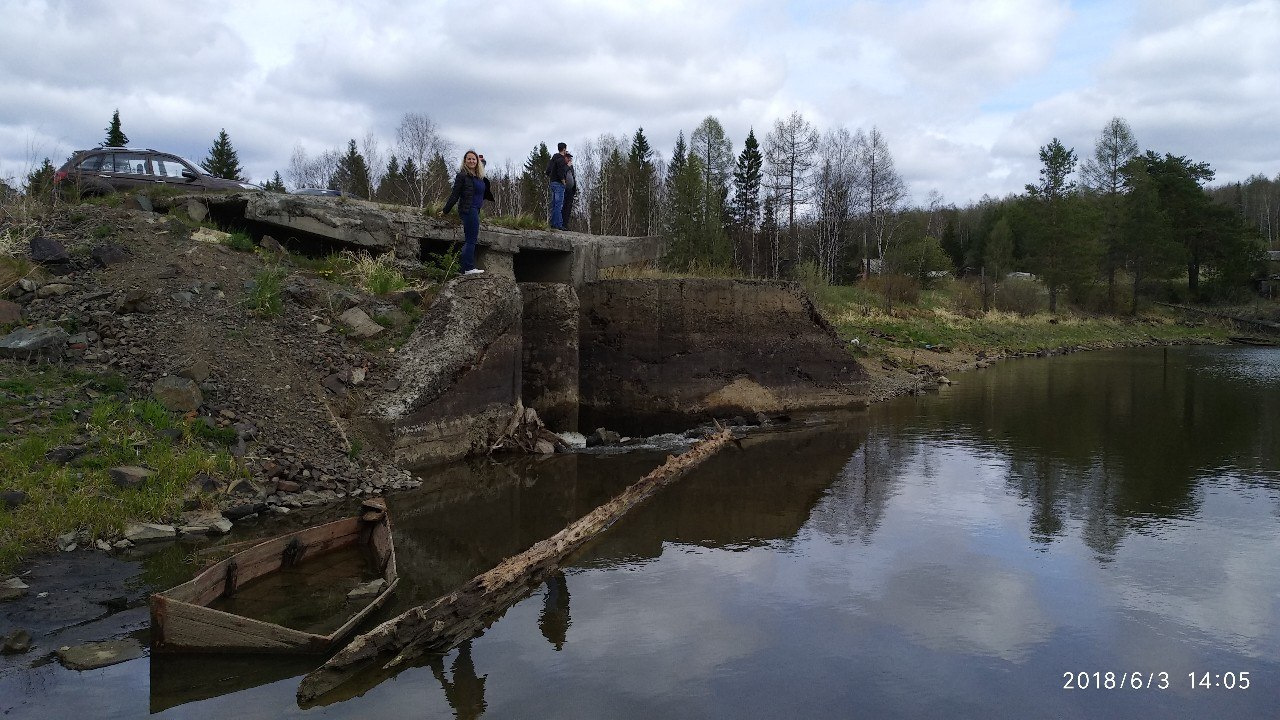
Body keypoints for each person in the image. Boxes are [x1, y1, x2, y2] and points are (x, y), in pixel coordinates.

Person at [441, 150, 495, 275]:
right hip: (468, 209)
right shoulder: (462, 176)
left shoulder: (479, 177)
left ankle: (464, 268)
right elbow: (455, 195)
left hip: (475, 210)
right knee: (471, 239)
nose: (471, 161)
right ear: (465, 161)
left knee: (470, 239)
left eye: (473, 159)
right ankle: (468, 268)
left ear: (477, 162)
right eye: (469, 159)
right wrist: (445, 210)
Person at [545, 142, 568, 230]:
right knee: (558, 204)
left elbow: (548, 171)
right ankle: (558, 224)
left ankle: (553, 223)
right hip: (559, 184)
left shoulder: (554, 158)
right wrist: (563, 181)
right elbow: (560, 172)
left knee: (554, 204)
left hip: (552, 183)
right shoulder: (561, 159)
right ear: (564, 149)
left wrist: (552, 177)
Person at [561, 152, 577, 227]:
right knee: (563, 206)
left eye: (570, 158)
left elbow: (573, 176)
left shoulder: (571, 167)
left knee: (568, 207)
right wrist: (567, 166)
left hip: (571, 189)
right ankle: (561, 223)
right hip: (564, 189)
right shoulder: (563, 165)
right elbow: (562, 173)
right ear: (565, 158)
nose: (570, 159)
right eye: (568, 158)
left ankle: (566, 224)